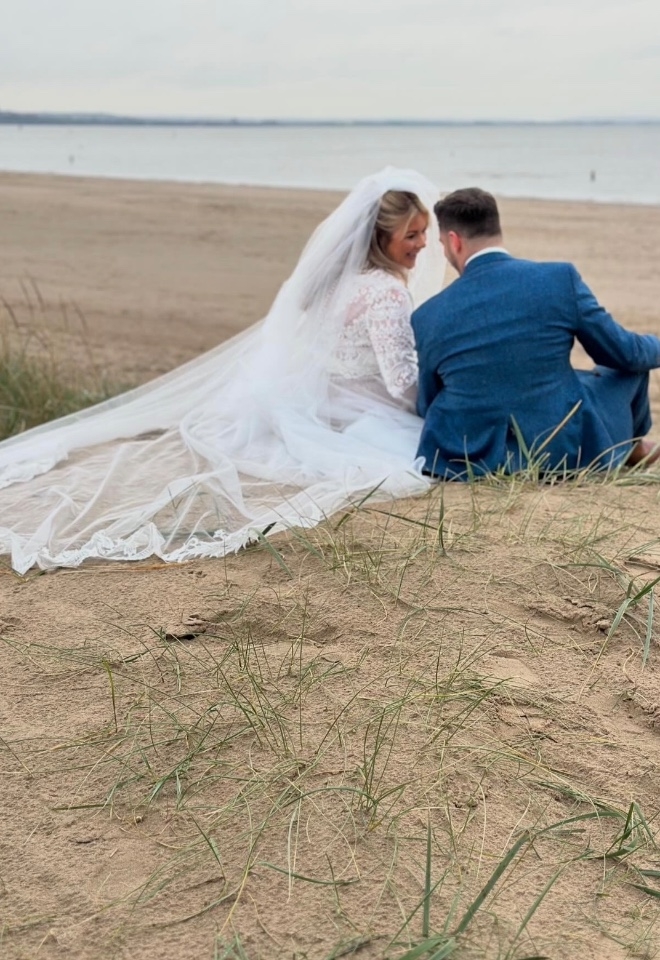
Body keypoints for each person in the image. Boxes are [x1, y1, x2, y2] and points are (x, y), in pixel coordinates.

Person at [0, 168, 445, 574]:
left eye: (424, 232)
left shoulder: (336, 282)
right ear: (379, 238)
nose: (424, 243)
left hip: (322, 403)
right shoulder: (386, 293)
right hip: (358, 411)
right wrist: (432, 405)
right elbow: (402, 386)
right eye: (412, 234)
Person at [412, 187, 660, 480]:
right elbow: (624, 352)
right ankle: (632, 447)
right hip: (559, 448)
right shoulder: (558, 278)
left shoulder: (427, 315)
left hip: (470, 454)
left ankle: (632, 447)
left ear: (454, 241)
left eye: (441, 244)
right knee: (632, 363)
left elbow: (427, 402)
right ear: (495, 227)